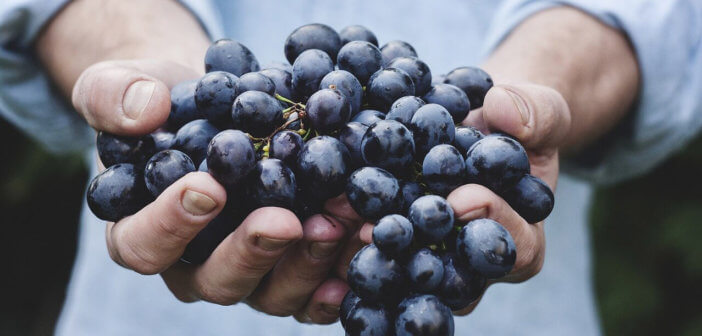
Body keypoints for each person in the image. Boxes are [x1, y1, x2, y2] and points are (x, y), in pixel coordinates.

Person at [1, 0, 700, 335]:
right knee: (201, 199)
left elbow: (658, 16)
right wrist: (136, 61)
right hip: (150, 305)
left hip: (493, 270)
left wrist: (536, 89)